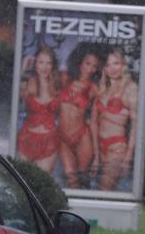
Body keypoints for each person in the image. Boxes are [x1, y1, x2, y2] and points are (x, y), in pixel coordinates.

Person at [92, 47, 138, 192]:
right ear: (104, 69)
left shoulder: (130, 88)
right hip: (99, 147)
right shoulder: (102, 90)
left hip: (117, 148)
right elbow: (94, 122)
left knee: (104, 190)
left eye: (116, 63)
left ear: (123, 65)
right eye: (108, 65)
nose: (112, 68)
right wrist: (96, 156)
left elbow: (136, 125)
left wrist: (128, 156)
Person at [57, 47, 100, 190]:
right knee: (70, 178)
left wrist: (97, 156)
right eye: (88, 64)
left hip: (82, 136)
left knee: (82, 179)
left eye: (94, 66)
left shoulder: (93, 89)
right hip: (63, 137)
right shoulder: (64, 78)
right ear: (79, 62)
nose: (91, 69)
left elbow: (93, 121)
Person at [16, 45, 60, 174]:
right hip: (27, 138)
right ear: (35, 63)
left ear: (53, 65)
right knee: (24, 182)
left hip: (49, 141)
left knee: (42, 184)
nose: (44, 67)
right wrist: (24, 66)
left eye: (48, 63)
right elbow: (16, 97)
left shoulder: (57, 84)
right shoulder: (28, 82)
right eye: (41, 62)